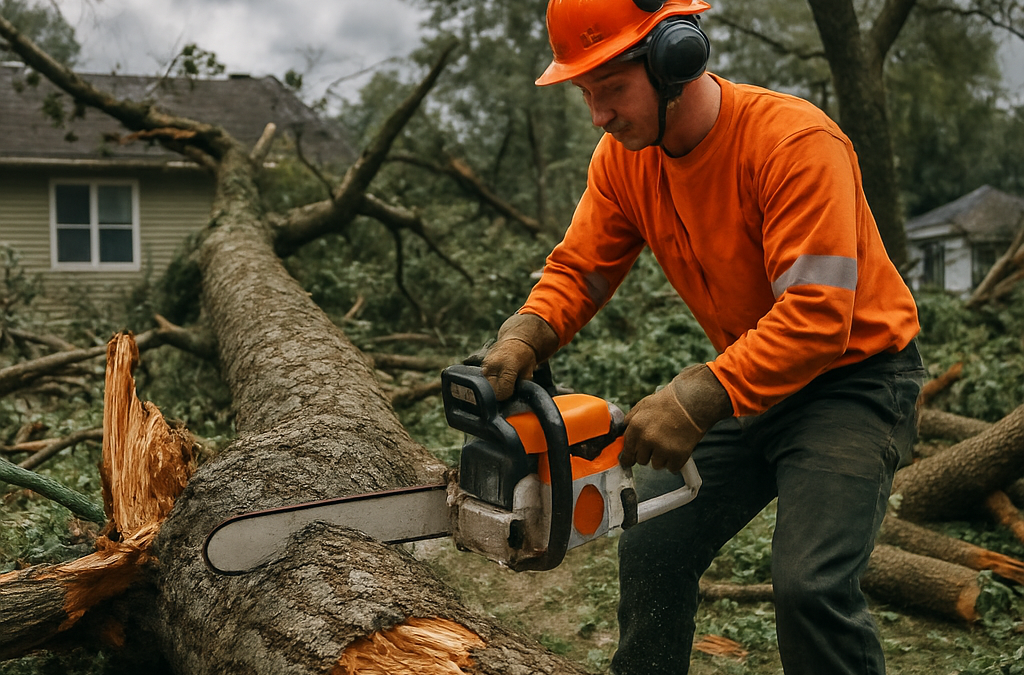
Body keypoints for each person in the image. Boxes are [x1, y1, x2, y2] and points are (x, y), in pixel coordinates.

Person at [478, 0, 925, 673]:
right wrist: (527, 332)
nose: (599, 115)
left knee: (811, 584)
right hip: (752, 383)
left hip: (854, 384)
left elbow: (815, 318)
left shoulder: (793, 143)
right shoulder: (626, 159)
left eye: (612, 90)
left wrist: (695, 397)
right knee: (652, 546)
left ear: (673, 61)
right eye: (586, 94)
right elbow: (581, 267)